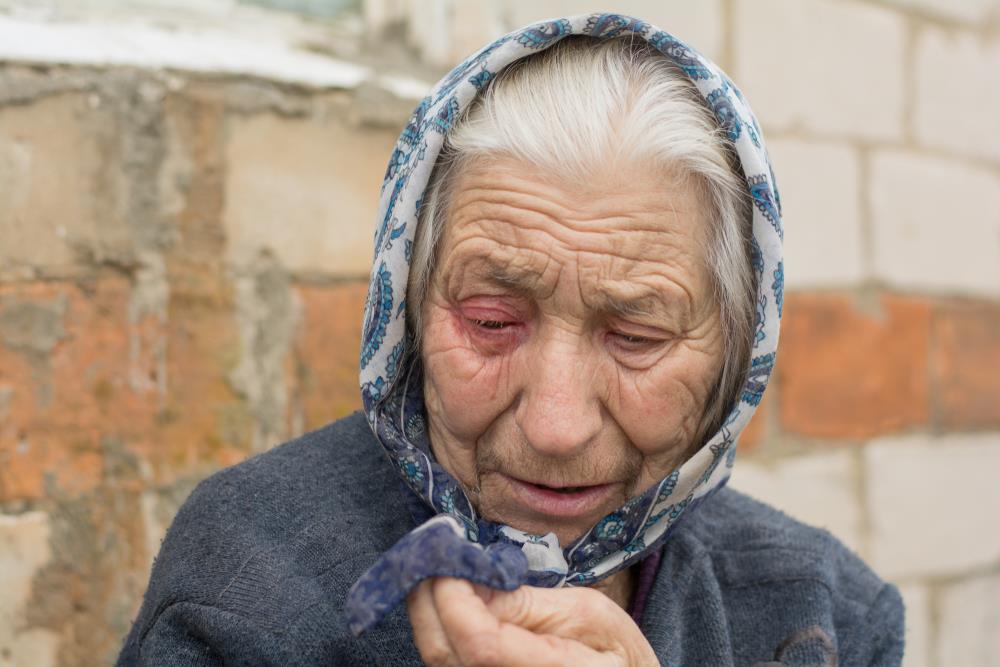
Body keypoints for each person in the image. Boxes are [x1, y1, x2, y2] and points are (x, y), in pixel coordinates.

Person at [117, 14, 905, 666]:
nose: (554, 426)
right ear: (409, 312)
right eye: (491, 322)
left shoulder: (824, 614)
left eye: (635, 335)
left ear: (735, 354)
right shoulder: (253, 583)